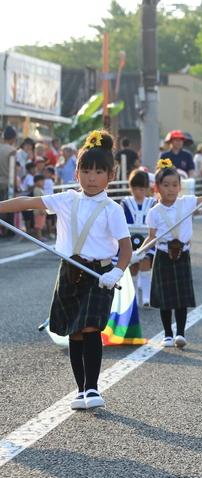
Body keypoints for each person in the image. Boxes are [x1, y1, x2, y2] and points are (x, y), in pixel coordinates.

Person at [0, 130, 131, 409]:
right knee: (75, 331)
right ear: (76, 173)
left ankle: (94, 388)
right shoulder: (66, 199)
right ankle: (81, 389)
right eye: (85, 170)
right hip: (70, 271)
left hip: (100, 275)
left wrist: (117, 272)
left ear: (111, 174)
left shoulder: (112, 208)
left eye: (98, 171)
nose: (91, 177)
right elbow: (27, 202)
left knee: (92, 327)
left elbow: (126, 248)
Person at [140, 159, 202, 348]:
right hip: (163, 255)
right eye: (166, 185)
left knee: (181, 298)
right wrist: (138, 252)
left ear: (180, 186)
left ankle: (180, 333)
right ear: (157, 187)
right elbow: (151, 237)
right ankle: (167, 334)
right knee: (165, 299)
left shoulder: (187, 203)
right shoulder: (154, 212)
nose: (171, 189)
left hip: (183, 254)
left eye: (175, 185)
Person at [121, 169, 157, 306]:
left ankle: (147, 297)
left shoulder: (152, 203)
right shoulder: (125, 202)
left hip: (147, 238)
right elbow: (122, 221)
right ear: (130, 188)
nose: (138, 192)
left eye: (142, 189)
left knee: (145, 263)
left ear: (147, 188)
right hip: (130, 239)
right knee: (133, 267)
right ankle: (134, 297)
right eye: (135, 188)